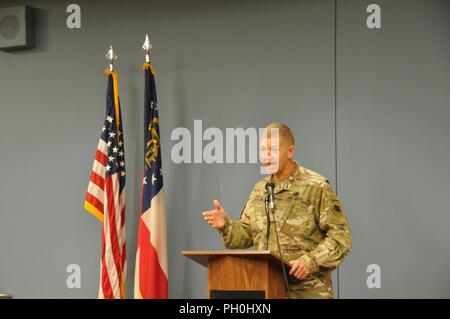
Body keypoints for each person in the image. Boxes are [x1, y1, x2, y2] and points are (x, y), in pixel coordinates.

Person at [202, 123, 352, 299]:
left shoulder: (316, 186)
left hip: (308, 292)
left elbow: (341, 237)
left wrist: (310, 261)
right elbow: (244, 237)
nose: (266, 155)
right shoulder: (260, 189)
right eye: (262, 149)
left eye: (272, 149)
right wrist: (225, 225)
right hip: (266, 290)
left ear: (290, 151)